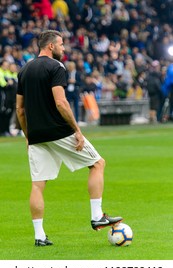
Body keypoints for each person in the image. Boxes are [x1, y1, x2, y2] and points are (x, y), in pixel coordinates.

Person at [16, 30, 123, 247]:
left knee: (37, 185)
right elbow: (61, 103)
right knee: (97, 163)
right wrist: (77, 130)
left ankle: (39, 236)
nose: (64, 49)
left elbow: (20, 109)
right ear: (51, 46)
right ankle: (96, 216)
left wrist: (28, 136)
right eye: (62, 45)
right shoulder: (56, 67)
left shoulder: (24, 70)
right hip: (59, 130)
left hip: (36, 134)